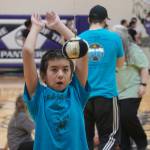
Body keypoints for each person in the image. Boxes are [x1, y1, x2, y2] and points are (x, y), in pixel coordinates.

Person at [22, 11, 89, 150]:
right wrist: (35, 27)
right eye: (54, 69)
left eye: (65, 69)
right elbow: (28, 52)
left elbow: (82, 51)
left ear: (71, 75)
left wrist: (59, 26)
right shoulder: (38, 97)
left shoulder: (76, 93)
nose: (60, 74)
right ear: (43, 76)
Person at [79, 5, 125, 150]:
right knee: (110, 138)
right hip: (106, 95)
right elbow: (120, 64)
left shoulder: (79, 38)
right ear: (105, 20)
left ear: (88, 19)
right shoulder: (114, 38)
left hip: (83, 97)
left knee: (84, 139)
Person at [113, 25, 149, 150]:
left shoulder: (133, 49)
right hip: (116, 91)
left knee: (127, 115)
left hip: (132, 88)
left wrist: (143, 84)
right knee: (119, 121)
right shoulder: (111, 50)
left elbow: (144, 67)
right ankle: (125, 145)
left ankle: (141, 140)